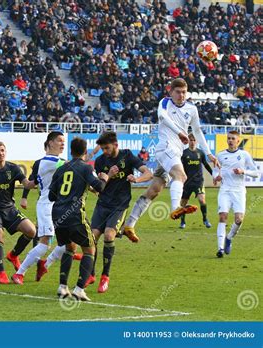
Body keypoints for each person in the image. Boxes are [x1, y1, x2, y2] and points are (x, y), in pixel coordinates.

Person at [121, 78, 218, 242]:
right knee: (181, 176)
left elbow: (197, 131)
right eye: (178, 92)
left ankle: (128, 225)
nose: (181, 95)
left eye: (184, 92)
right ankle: (176, 208)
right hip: (165, 148)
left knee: (154, 190)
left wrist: (208, 153)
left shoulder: (192, 109)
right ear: (171, 91)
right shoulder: (165, 102)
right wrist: (180, 132)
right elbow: (162, 117)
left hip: (173, 153)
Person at [88, 132, 152, 293]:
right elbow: (99, 186)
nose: (105, 152)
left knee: (109, 236)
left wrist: (136, 180)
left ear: (116, 145)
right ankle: (91, 274)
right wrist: (107, 177)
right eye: (102, 148)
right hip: (102, 204)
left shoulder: (127, 156)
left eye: (107, 148)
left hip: (119, 205)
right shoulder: (101, 161)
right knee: (92, 238)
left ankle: (105, 277)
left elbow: (148, 173)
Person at [49, 137, 108, 301]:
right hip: (75, 215)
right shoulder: (85, 168)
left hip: (57, 215)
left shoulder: (61, 169)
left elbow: (51, 195)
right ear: (85, 151)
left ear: (71, 150)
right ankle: (79, 289)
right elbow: (99, 187)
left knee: (69, 248)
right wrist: (105, 177)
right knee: (90, 249)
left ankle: (62, 287)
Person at [0, 142, 37, 284]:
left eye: (2, 150)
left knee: (32, 231)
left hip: (10, 208)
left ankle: (13, 255)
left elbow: (27, 184)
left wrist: (37, 180)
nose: (0, 153)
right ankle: (1, 273)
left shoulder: (13, 168)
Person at [12, 132, 68, 284]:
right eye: (59, 141)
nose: (63, 144)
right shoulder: (51, 162)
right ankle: (20, 273)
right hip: (47, 206)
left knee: (70, 242)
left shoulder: (58, 162)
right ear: (50, 143)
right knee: (45, 242)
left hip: (60, 206)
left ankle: (45, 264)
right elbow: (72, 167)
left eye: (64, 141)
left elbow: (31, 182)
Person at [213, 131, 259, 258]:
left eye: (233, 138)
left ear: (238, 141)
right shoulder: (220, 155)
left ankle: (229, 238)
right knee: (223, 216)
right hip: (225, 190)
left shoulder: (244, 155)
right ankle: (220, 248)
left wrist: (243, 171)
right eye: (228, 138)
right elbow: (215, 171)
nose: (230, 140)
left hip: (239, 190)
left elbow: (256, 173)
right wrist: (216, 177)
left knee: (239, 220)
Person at [179, 133, 214, 229]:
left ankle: (205, 219)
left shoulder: (201, 153)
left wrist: (213, 175)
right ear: (188, 141)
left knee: (202, 200)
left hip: (198, 181)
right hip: (186, 182)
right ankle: (182, 222)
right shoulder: (184, 153)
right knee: (183, 203)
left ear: (197, 141)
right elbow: (179, 167)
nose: (192, 142)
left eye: (194, 140)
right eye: (191, 140)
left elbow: (206, 165)